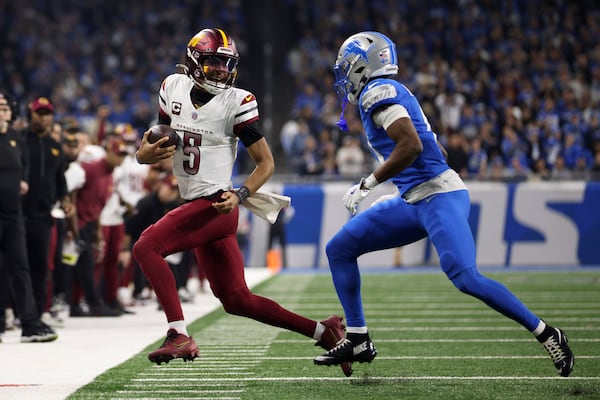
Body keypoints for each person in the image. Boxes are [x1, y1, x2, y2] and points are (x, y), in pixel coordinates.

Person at [314, 31, 574, 378]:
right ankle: (358, 338)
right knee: (340, 248)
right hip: (413, 199)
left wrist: (369, 182)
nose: (344, 76)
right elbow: (434, 148)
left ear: (366, 64)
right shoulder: (390, 92)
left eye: (348, 67)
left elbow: (411, 146)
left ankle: (546, 332)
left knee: (465, 277)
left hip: (438, 196)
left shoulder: (377, 93)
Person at [133, 27, 351, 376]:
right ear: (193, 60)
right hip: (196, 203)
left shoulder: (238, 101)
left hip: (217, 204)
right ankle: (324, 331)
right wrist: (144, 154)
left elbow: (266, 162)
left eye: (226, 63)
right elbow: (161, 143)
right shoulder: (171, 87)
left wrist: (241, 194)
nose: (220, 69)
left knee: (146, 247)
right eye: (213, 61)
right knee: (237, 300)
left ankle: (177, 333)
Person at [0, 91, 57, 342]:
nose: (3, 111)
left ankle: (30, 323)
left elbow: (19, 170)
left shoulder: (14, 139)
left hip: (14, 215)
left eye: (5, 107)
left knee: (21, 267)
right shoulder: (18, 138)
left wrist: (20, 182)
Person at [21, 97, 74, 320]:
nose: (43, 118)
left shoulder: (55, 147)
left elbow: (59, 178)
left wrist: (65, 198)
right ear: (30, 114)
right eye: (39, 113)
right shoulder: (19, 140)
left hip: (43, 215)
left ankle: (38, 313)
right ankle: (13, 311)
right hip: (18, 213)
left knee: (41, 267)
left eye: (47, 114)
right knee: (16, 265)